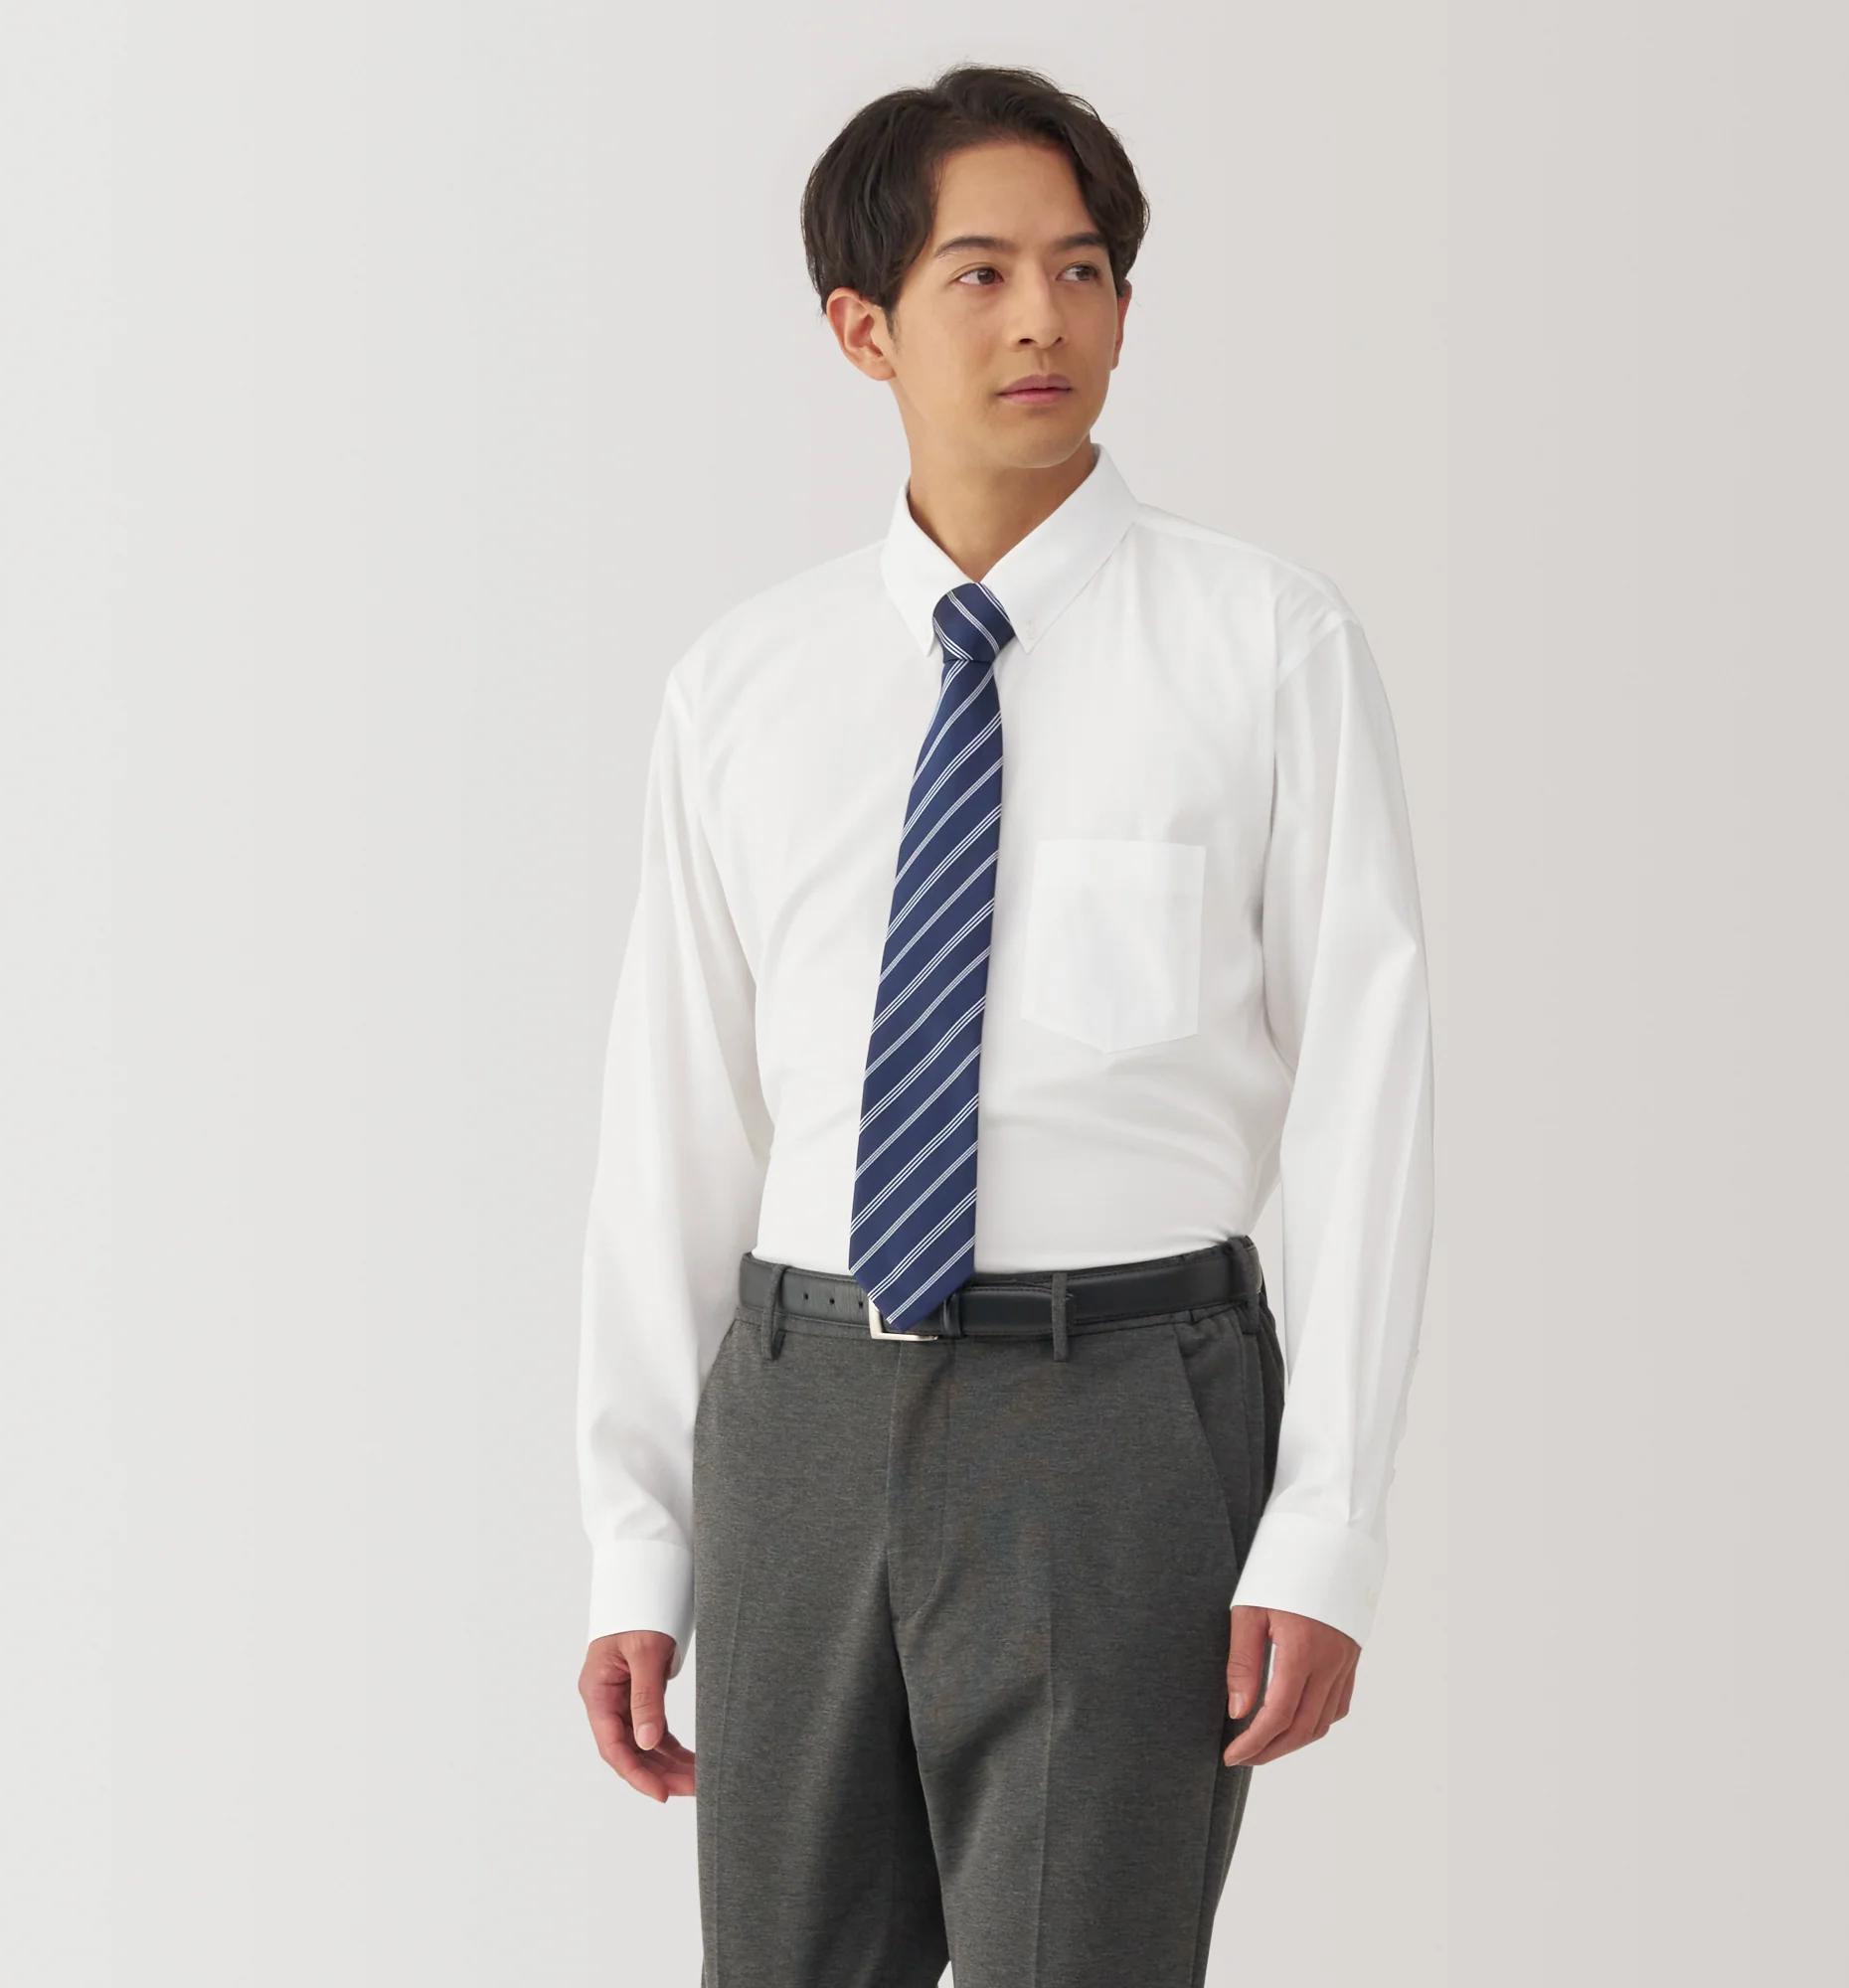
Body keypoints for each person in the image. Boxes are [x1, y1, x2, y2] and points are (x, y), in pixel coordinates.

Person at [574, 60, 1434, 1986]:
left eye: (1085, 267)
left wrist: (1326, 1525)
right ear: (860, 325)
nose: (1045, 316)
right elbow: (674, 1125)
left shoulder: (1263, 646)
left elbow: (1370, 1099)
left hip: (1121, 1411)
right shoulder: (745, 685)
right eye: (980, 272)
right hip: (798, 1417)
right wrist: (637, 1539)